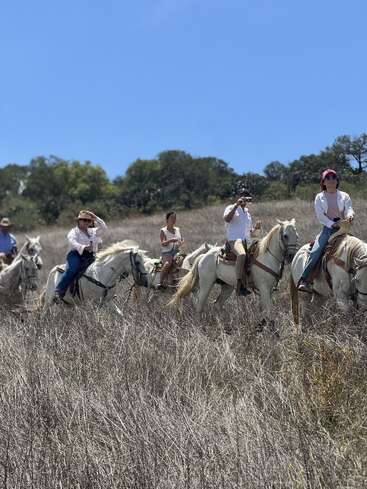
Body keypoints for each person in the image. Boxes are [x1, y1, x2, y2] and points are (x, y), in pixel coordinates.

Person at [298, 168, 354, 292]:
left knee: (356, 249)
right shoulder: (319, 197)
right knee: (316, 251)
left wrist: (350, 215)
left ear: (337, 180)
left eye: (333, 177)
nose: (331, 180)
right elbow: (320, 216)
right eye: (327, 178)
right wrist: (332, 224)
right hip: (328, 229)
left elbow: (349, 208)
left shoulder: (344, 195)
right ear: (323, 182)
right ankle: (305, 280)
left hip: (343, 228)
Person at [54, 210, 107, 300]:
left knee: (102, 267)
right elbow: (73, 242)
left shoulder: (93, 231)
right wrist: (84, 247)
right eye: (84, 220)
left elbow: (104, 227)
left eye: (89, 220)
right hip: (75, 254)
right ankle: (59, 292)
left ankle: (104, 291)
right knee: (71, 269)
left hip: (90, 255)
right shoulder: (73, 232)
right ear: (79, 221)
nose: (87, 222)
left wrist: (95, 217)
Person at [223, 189, 261, 296]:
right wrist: (236, 205)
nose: (244, 198)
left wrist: (257, 229)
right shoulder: (231, 207)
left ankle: (255, 281)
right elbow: (227, 219)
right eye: (242, 196)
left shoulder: (247, 213)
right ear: (238, 196)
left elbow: (251, 233)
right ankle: (239, 285)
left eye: (246, 197)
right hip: (234, 240)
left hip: (246, 242)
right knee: (242, 254)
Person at [158, 211, 184, 288]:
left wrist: (181, 242)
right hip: (167, 252)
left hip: (177, 251)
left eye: (175, 218)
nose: (173, 219)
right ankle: (161, 282)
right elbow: (163, 243)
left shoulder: (178, 229)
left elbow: (182, 239)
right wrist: (170, 241)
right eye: (171, 218)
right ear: (167, 219)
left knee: (184, 260)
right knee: (167, 264)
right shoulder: (163, 230)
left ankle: (176, 279)